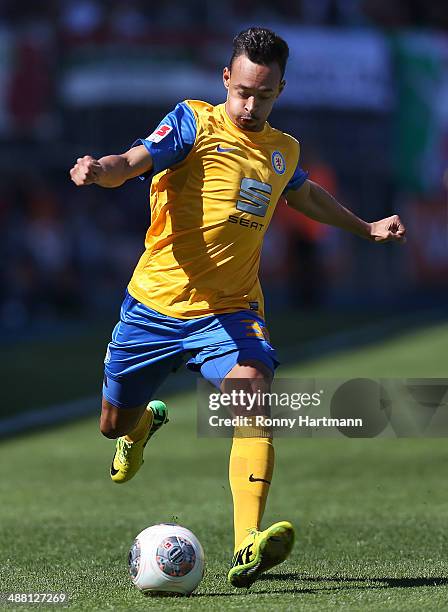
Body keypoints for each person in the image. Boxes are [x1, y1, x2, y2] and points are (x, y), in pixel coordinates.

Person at [70, 27, 406, 588]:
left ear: (281, 89)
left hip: (229, 311)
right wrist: (101, 171)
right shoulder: (193, 123)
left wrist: (365, 226)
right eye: (244, 90)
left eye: (265, 94)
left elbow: (305, 195)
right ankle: (139, 428)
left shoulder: (282, 151)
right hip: (152, 307)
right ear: (226, 78)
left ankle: (247, 541)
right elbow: (133, 159)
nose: (251, 105)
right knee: (111, 425)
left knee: (251, 391)